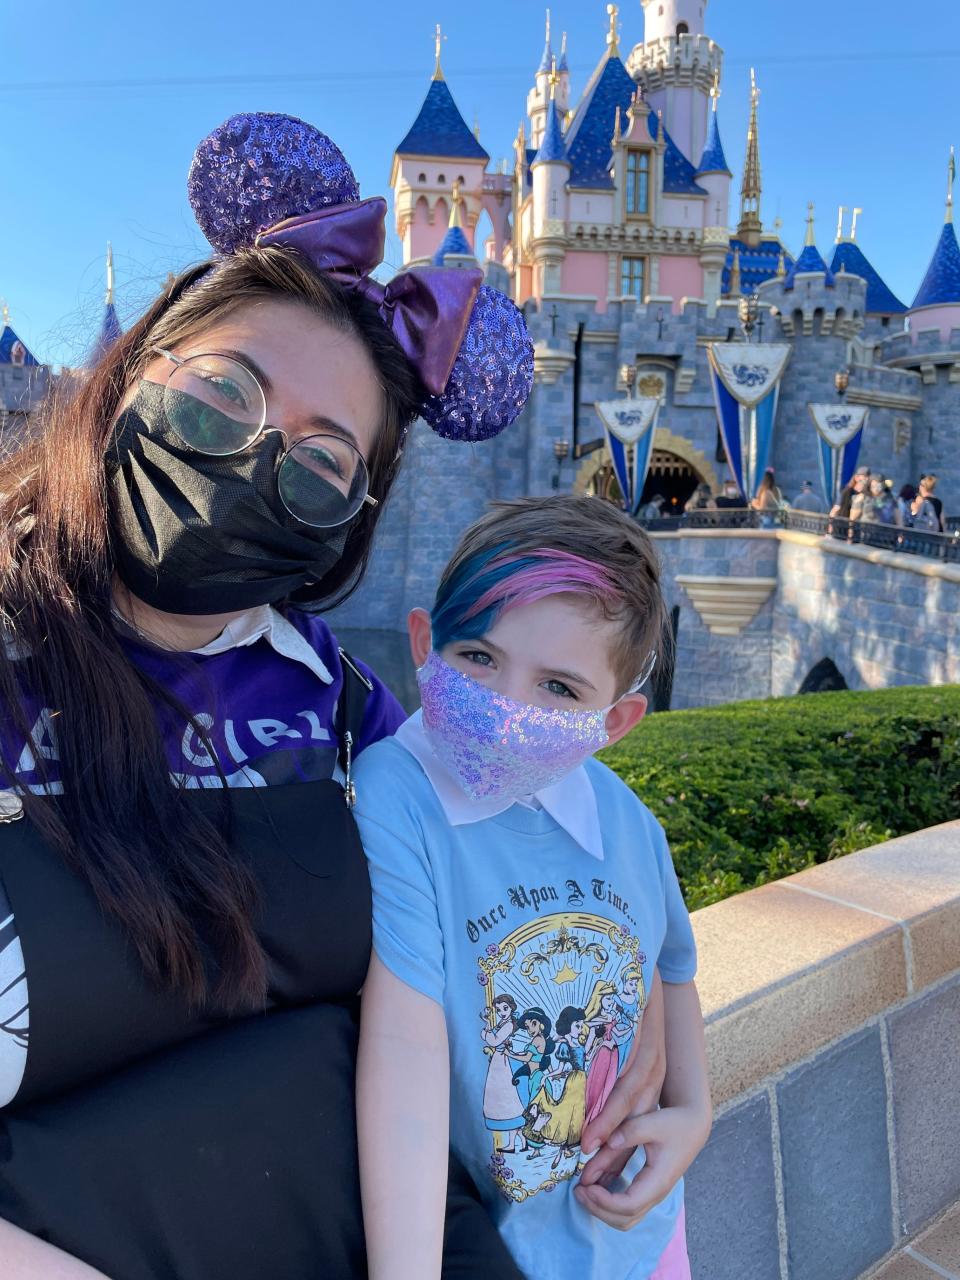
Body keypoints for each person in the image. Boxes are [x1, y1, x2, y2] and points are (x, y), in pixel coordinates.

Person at [0, 111, 539, 1280]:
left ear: (346, 524)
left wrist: (652, 1047)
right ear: (135, 369)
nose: (250, 460)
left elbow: (505, 916)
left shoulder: (341, 711)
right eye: (218, 399)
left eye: (318, 463)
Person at [355, 495, 711, 1280]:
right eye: (479, 658)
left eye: (558, 688)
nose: (507, 705)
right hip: (495, 1251)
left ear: (613, 722)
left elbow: (672, 964)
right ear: (424, 643)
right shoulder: (395, 791)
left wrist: (695, 1111)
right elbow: (400, 1042)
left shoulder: (630, 824)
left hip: (645, 1238)